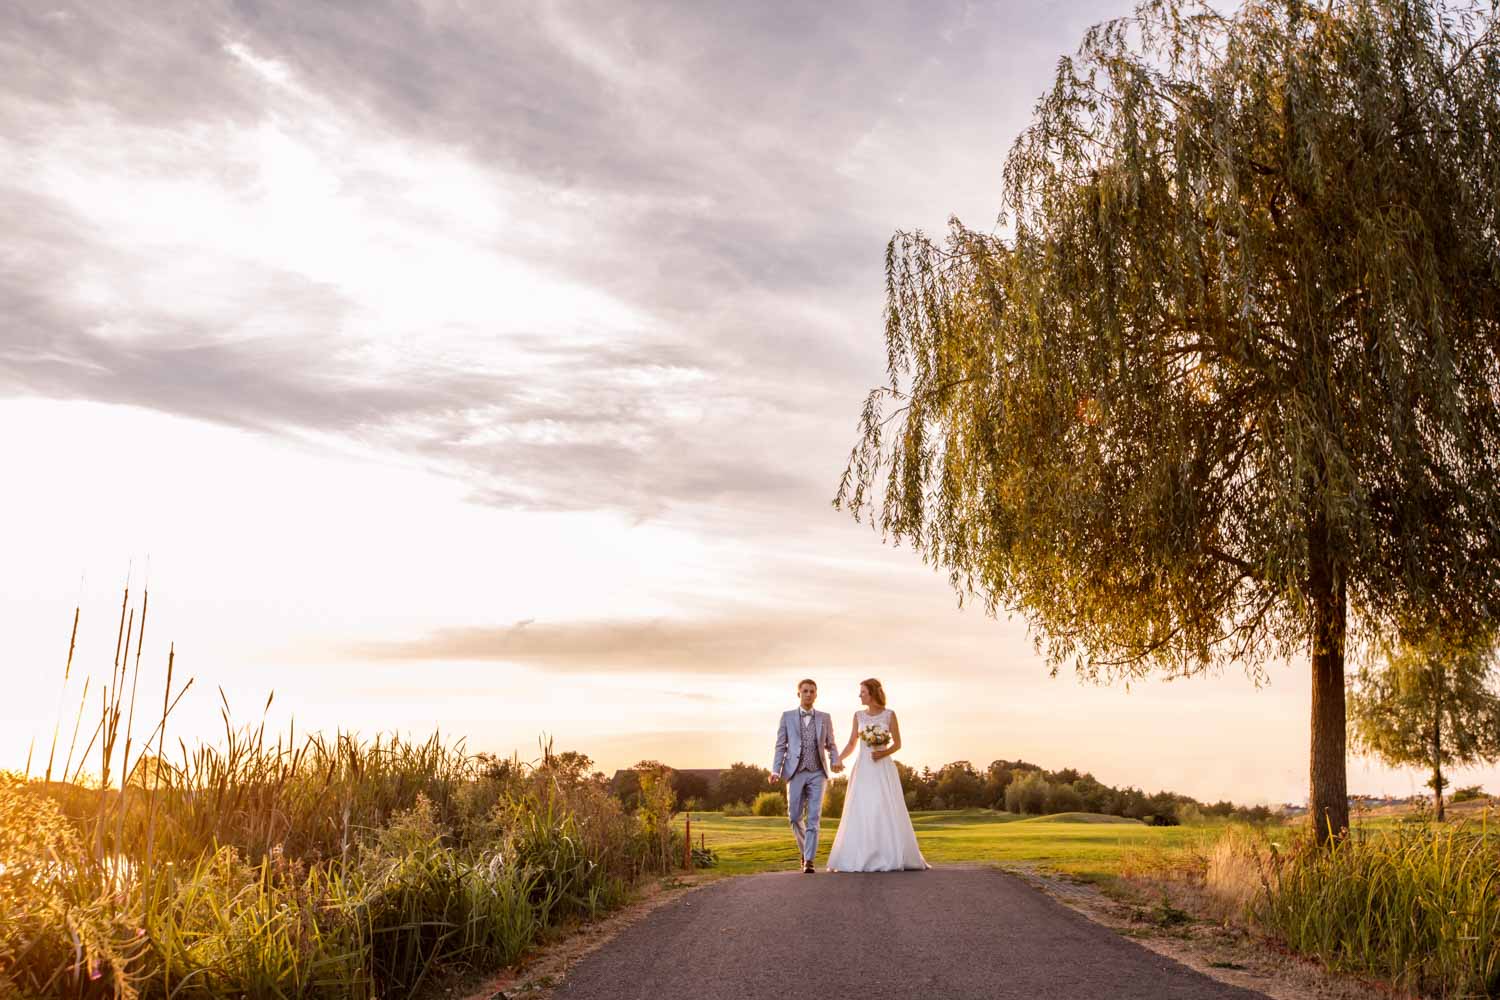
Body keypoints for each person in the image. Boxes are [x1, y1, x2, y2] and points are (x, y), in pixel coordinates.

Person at [825, 677, 929, 872]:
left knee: (884, 807)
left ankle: (889, 854)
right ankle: (861, 855)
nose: (859, 695)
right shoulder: (858, 716)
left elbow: (897, 744)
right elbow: (851, 743)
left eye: (863, 692)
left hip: (882, 768)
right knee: (862, 808)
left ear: (872, 694)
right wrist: (838, 759)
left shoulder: (889, 715)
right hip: (863, 768)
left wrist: (884, 752)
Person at [770, 678, 843, 873]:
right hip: (795, 772)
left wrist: (835, 759)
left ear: (816, 695)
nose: (808, 694)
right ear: (799, 694)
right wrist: (775, 770)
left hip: (818, 773)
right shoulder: (787, 717)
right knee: (794, 816)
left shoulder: (824, 718)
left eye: (812, 691)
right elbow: (780, 746)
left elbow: (831, 744)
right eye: (805, 691)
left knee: (813, 817)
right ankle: (805, 851)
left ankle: (809, 860)